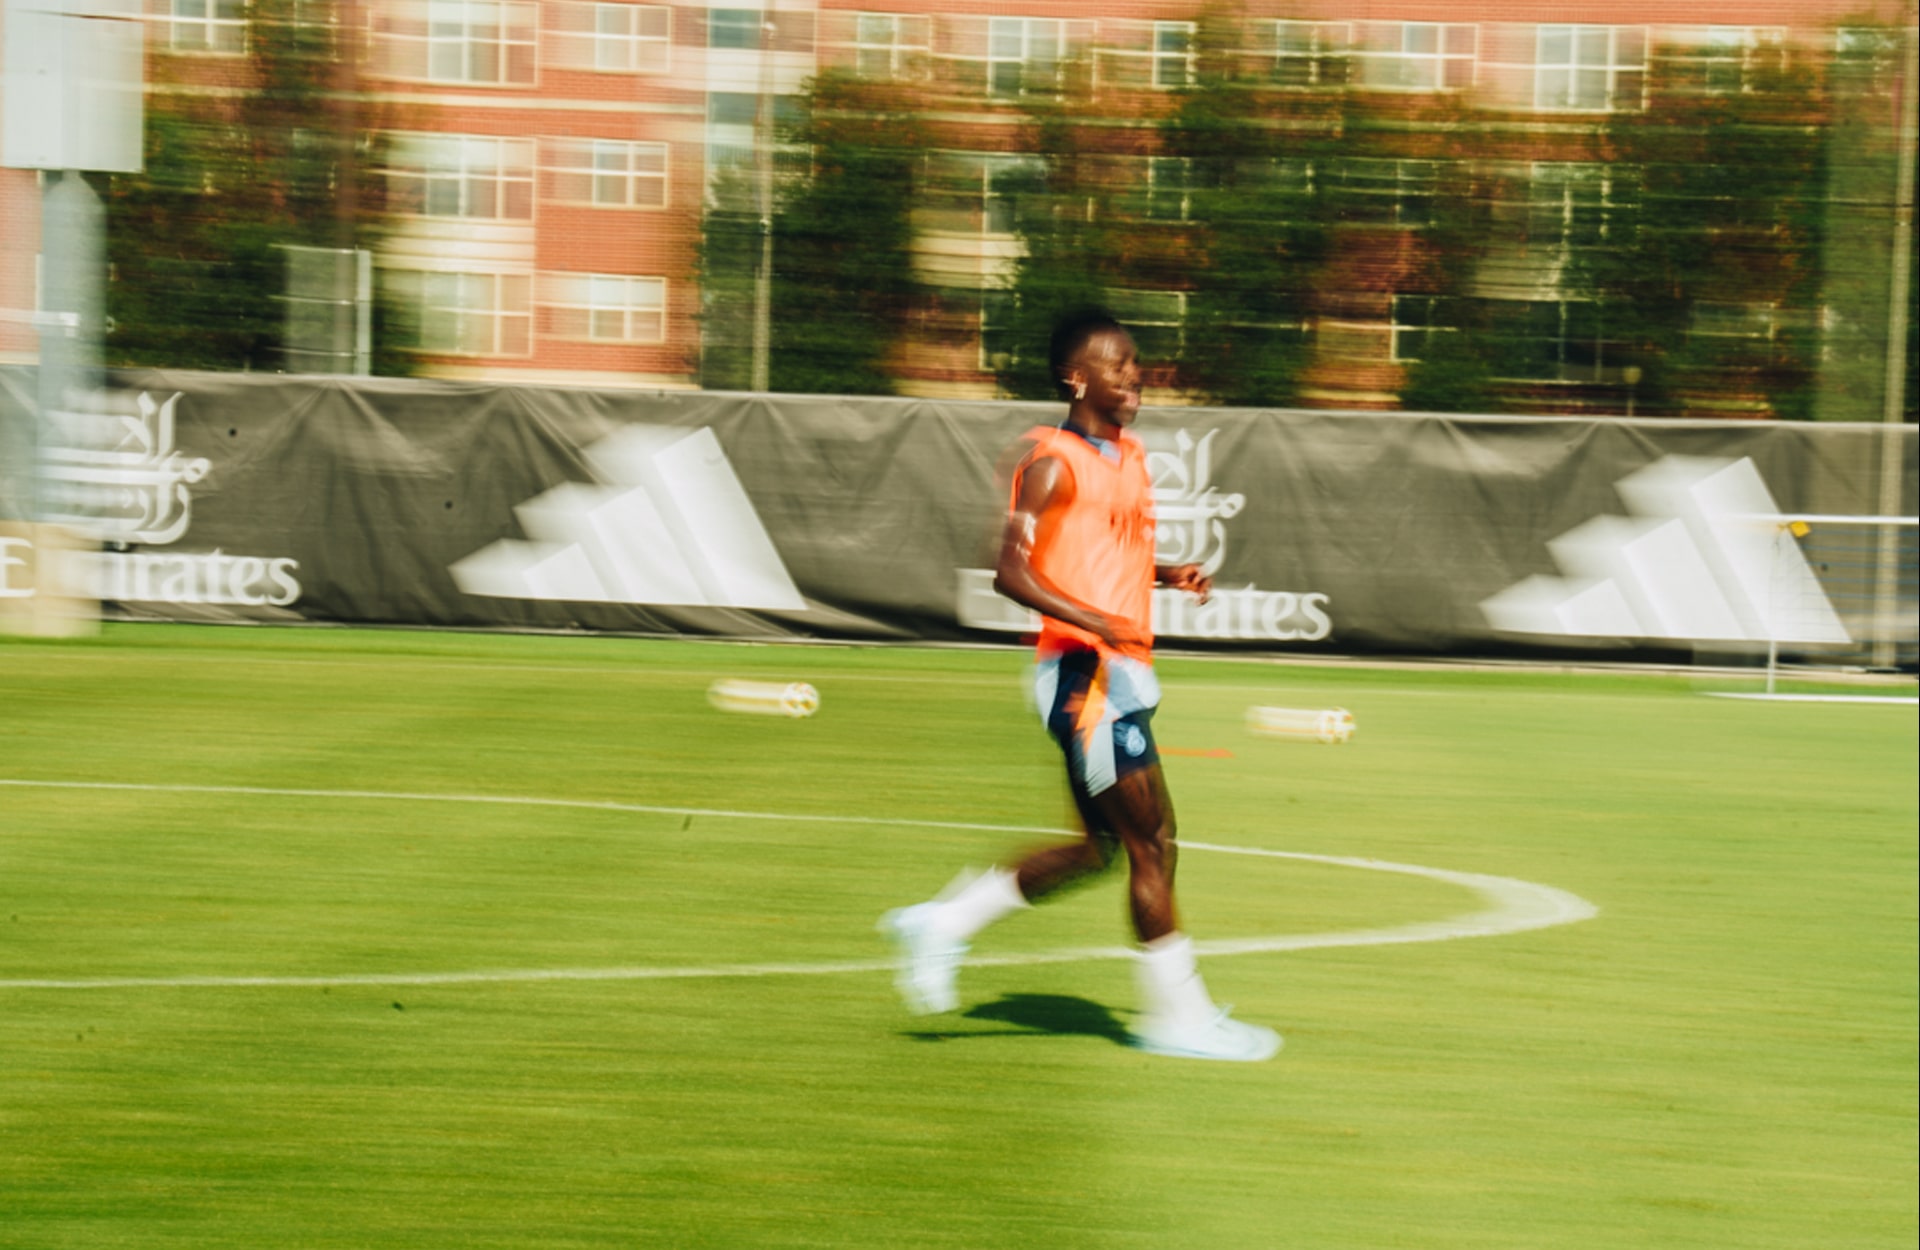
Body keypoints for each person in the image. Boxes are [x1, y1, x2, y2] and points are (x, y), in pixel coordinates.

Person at [880, 309, 1281, 1062]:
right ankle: (1177, 1020)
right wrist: (1099, 622)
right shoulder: (1051, 461)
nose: (1134, 375)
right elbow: (1011, 574)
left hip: (1116, 672)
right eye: (1117, 364)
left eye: (1135, 363)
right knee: (1152, 844)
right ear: (1075, 377)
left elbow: (1104, 554)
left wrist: (1166, 573)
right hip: (1084, 678)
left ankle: (942, 922)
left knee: (1100, 850)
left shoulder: (1128, 454)